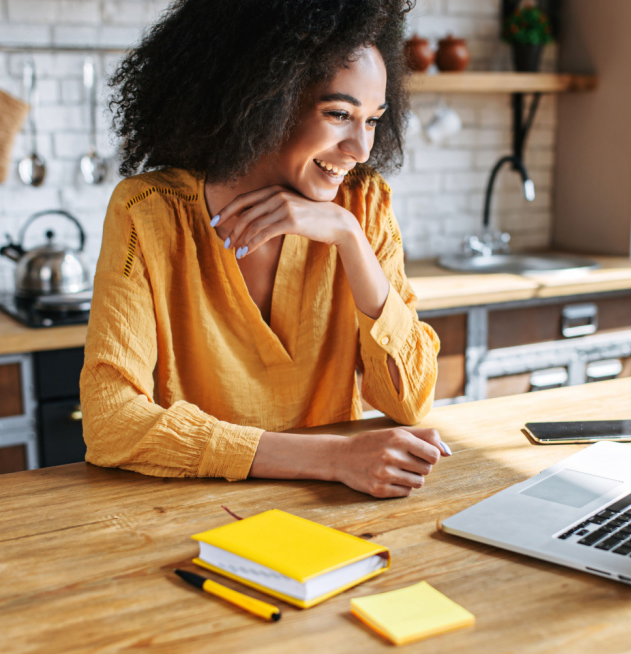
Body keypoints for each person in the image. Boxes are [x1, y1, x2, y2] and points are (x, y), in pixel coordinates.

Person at [80, 0, 448, 498]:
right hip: (191, 511)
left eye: (372, 120)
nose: (360, 149)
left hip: (337, 509)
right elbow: (110, 423)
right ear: (262, 99)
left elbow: (412, 400)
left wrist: (349, 238)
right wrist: (334, 458)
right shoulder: (148, 212)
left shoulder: (364, 204)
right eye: (339, 114)